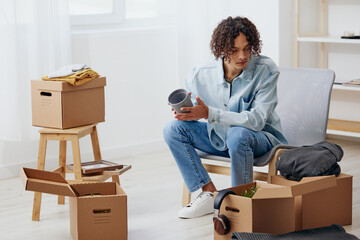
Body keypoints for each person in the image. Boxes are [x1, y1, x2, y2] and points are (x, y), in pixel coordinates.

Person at [163, 16, 287, 219]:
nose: (242, 56)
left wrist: (210, 113)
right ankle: (209, 194)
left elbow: (256, 120)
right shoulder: (200, 74)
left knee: (238, 134)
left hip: (261, 139)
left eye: (247, 49)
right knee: (172, 129)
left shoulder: (266, 70)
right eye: (234, 50)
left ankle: (240, 203)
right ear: (221, 49)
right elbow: (194, 105)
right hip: (220, 138)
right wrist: (187, 110)